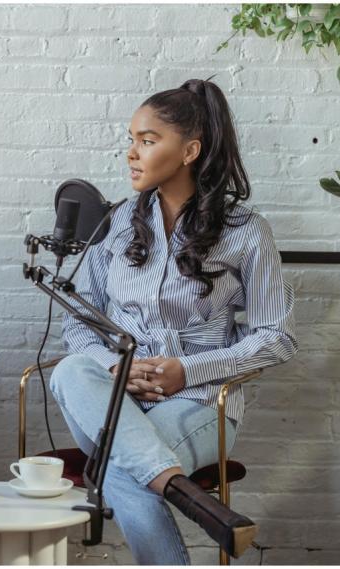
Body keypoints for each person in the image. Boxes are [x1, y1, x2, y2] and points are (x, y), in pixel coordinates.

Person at [49, 79, 297, 564]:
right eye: (131, 140)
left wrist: (189, 370)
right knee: (69, 370)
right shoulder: (115, 224)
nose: (131, 154)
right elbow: (81, 325)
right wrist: (116, 367)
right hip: (112, 398)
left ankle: (164, 485)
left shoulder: (247, 233)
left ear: (189, 150)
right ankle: (182, 491)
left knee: (119, 471)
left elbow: (278, 338)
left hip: (197, 401)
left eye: (146, 140)